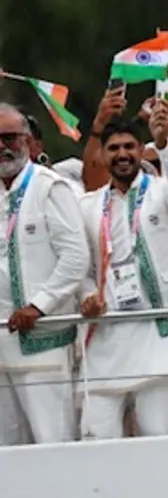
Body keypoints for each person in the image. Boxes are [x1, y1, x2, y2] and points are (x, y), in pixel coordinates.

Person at [78, 107, 168, 439]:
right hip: (110, 336)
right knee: (95, 433)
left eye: (129, 147)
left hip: (158, 337)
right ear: (103, 156)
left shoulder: (162, 192)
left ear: (140, 151)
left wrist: (165, 145)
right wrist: (86, 296)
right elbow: (84, 268)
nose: (122, 154)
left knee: (158, 433)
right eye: (114, 148)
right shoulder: (89, 206)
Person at [0, 105, 89, 445]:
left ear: (28, 141)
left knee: (51, 442)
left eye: (9, 138)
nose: (2, 147)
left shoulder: (50, 187)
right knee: (7, 452)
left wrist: (38, 306)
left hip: (41, 343)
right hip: (1, 342)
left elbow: (75, 258)